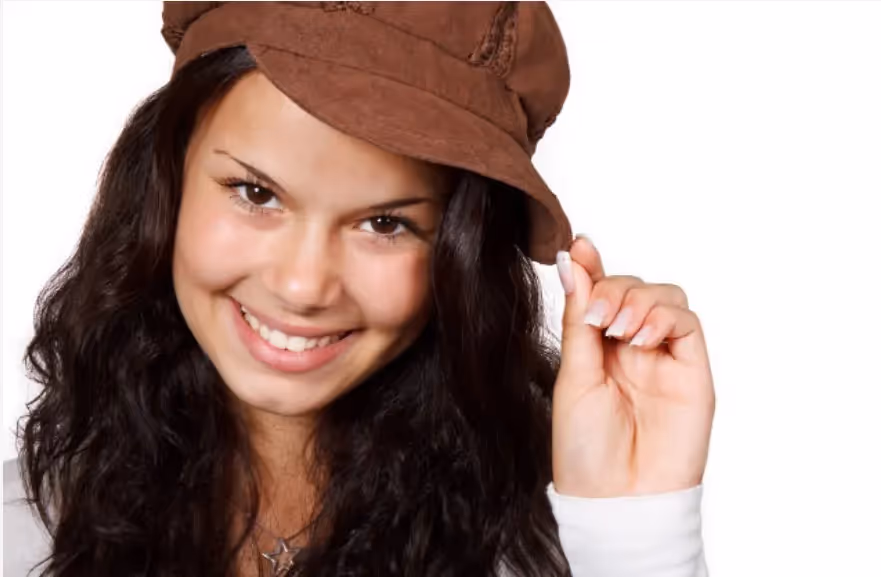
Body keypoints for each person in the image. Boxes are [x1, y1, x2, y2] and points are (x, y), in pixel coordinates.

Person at [3, 2, 715, 576]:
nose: (302, 284)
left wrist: (637, 537)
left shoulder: (553, 540)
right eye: (255, 192)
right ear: (164, 182)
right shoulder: (24, 529)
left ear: (461, 257)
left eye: (384, 223)